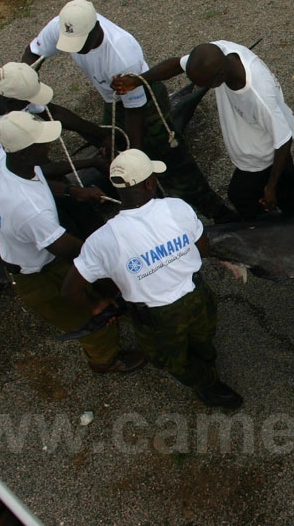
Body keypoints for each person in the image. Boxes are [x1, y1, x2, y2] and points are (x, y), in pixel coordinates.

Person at [62, 149, 243, 410]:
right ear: (149, 183)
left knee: (171, 359)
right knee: (203, 339)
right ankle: (207, 372)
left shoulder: (102, 241)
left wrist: (97, 305)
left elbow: (70, 290)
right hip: (197, 296)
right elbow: (203, 249)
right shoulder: (177, 208)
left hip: (156, 317)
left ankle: (207, 383)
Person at [24, 0, 235, 222]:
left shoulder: (121, 54)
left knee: (172, 162)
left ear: (95, 29)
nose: (73, 49)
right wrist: (28, 84)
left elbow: (135, 112)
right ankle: (143, 203)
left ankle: (217, 213)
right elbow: (31, 54)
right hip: (113, 97)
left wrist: (136, 158)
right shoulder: (64, 26)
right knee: (112, 148)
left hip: (142, 99)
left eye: (79, 43)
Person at [0, 111, 145, 374]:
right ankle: (105, 361)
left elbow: (41, 178)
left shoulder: (8, 161)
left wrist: (73, 191)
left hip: (44, 255)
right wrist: (115, 257)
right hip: (39, 275)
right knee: (91, 319)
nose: (49, 145)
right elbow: (71, 249)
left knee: (100, 285)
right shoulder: (31, 211)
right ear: (25, 153)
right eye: (42, 143)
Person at [113, 42, 294, 221]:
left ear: (219, 76)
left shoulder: (258, 96)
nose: (202, 88)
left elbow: (284, 139)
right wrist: (139, 80)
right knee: (255, 199)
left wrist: (271, 185)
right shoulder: (219, 52)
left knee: (285, 205)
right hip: (252, 155)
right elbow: (177, 64)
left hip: (264, 159)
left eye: (204, 84)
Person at [0, 61, 107, 210]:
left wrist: (103, 135)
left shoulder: (4, 81)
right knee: (60, 211)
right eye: (28, 101)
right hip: (1, 180)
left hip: (21, 159)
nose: (32, 103)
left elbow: (53, 113)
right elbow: (34, 174)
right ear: (10, 102)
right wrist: (91, 166)